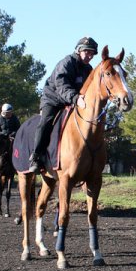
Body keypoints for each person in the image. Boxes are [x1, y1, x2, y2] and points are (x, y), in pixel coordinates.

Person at [28, 36, 98, 173]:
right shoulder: (66, 63)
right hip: (53, 100)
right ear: (78, 50)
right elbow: (62, 86)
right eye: (87, 52)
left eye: (92, 53)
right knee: (46, 122)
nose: (89, 56)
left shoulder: (89, 69)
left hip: (73, 101)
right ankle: (36, 157)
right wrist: (76, 98)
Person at [0, 103, 21, 170]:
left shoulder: (14, 118)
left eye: (10, 112)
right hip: (0, 138)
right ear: (4, 112)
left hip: (11, 138)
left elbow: (18, 128)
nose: (9, 114)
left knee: (19, 148)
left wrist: (13, 133)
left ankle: (19, 165)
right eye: (7, 113)